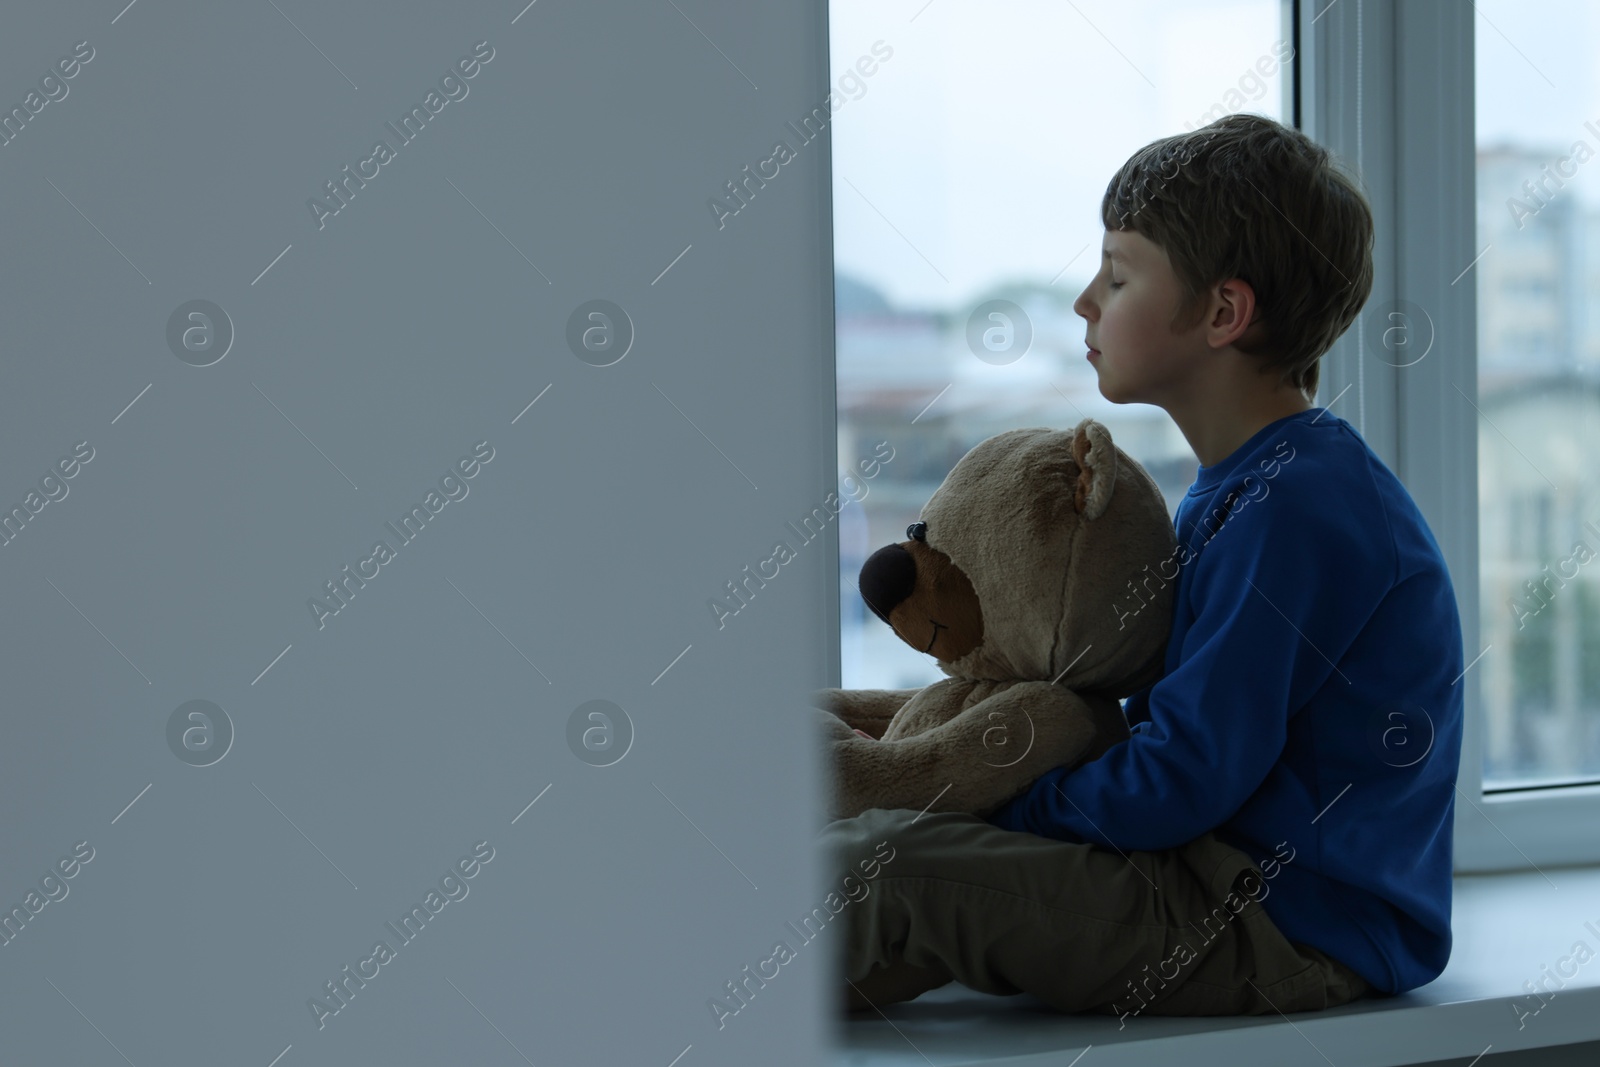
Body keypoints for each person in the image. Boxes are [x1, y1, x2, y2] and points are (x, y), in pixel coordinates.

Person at [826, 112, 1464, 1022]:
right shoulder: (1242, 484)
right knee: (872, 843)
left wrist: (995, 800)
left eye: (1118, 274)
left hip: (1283, 925)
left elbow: (1183, 775)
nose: (1086, 301)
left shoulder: (1300, 507)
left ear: (1222, 313)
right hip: (1210, 874)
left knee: (885, 872)